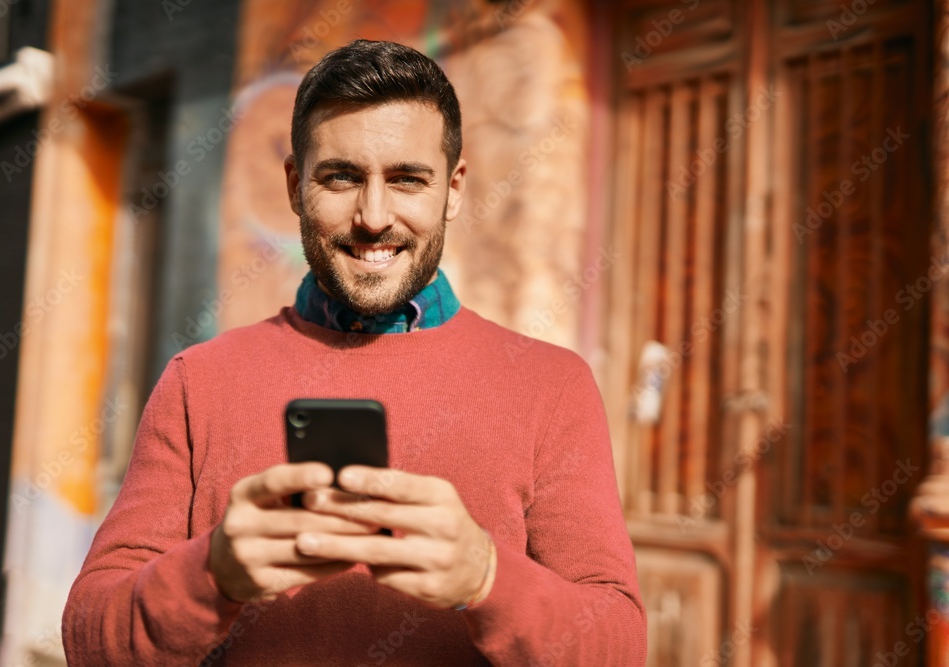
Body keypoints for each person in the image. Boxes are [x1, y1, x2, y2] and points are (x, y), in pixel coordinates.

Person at [62, 39, 646, 666]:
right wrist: (212, 574)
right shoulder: (197, 382)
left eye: (406, 180)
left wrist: (487, 578)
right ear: (294, 185)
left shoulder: (551, 385)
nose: (373, 216)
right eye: (341, 177)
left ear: (452, 190)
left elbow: (616, 645)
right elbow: (91, 641)